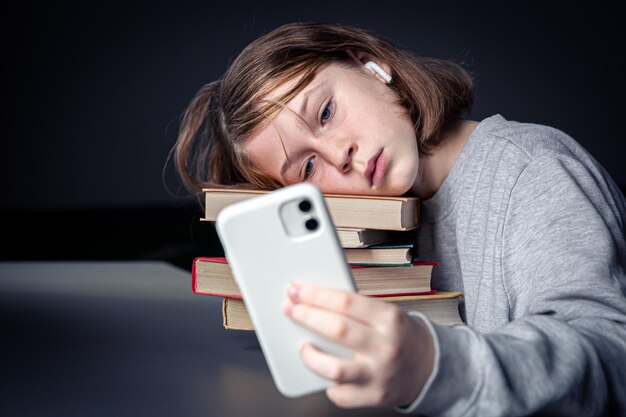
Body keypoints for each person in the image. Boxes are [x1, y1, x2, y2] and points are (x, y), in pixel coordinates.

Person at [170, 22, 626, 416]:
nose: (339, 155)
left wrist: (432, 364)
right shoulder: (374, 230)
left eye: (326, 112)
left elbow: (613, 359)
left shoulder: (533, 171)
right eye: (308, 168)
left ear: (373, 67)